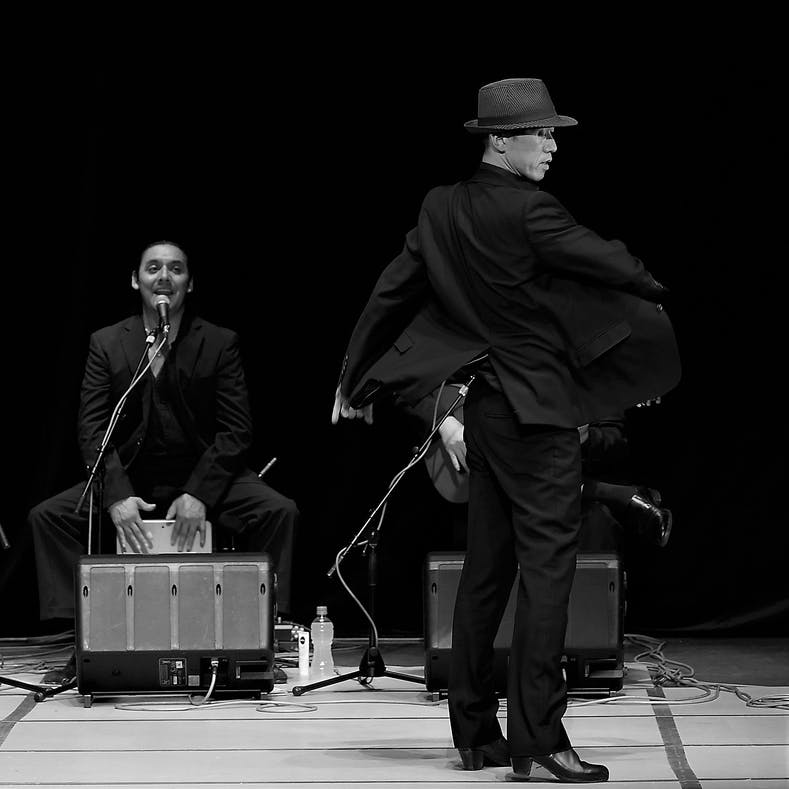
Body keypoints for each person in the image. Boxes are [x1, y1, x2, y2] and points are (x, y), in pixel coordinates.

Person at [333, 77, 680, 783]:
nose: (552, 145)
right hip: (540, 414)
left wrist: (351, 374)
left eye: (553, 133)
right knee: (548, 578)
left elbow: (390, 290)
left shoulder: (439, 206)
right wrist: (637, 288)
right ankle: (538, 737)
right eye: (540, 133)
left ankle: (475, 732)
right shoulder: (532, 211)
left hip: (486, 409)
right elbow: (620, 267)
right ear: (499, 141)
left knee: (485, 574)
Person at [29, 240, 298, 683]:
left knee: (278, 510)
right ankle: (85, 641)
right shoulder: (107, 342)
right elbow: (92, 430)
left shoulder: (219, 342)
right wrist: (116, 496)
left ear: (189, 284)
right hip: (131, 474)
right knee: (49, 518)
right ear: (136, 280)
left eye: (175, 269)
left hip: (202, 473)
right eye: (153, 268)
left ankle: (263, 639)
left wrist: (200, 493)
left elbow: (236, 430)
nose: (164, 277)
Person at [404, 383, 672, 552]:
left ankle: (610, 495)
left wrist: (586, 438)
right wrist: (447, 425)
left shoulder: (588, 364)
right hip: (479, 494)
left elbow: (613, 440)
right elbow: (409, 388)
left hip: (554, 487)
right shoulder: (480, 347)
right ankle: (616, 496)